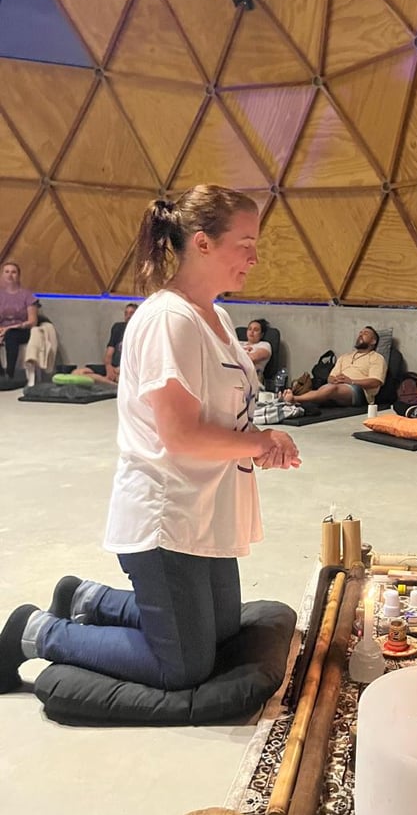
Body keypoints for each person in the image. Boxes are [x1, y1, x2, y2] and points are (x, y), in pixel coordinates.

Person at [0, 184, 301, 694]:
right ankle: (36, 632)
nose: (255, 257)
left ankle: (87, 599)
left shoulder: (216, 317)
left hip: (207, 505)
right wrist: (257, 442)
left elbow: (222, 416)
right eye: (245, 244)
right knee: (182, 665)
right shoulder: (169, 320)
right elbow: (179, 435)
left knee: (221, 632)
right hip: (168, 513)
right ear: (202, 243)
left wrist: (260, 443)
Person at [282, 326, 386, 407]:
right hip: (338, 386)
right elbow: (330, 377)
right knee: (327, 388)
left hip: (360, 391)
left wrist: (351, 381)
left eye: (365, 333)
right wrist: (334, 379)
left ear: (373, 341)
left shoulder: (376, 358)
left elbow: (376, 381)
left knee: (331, 389)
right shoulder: (345, 356)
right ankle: (292, 399)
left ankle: (294, 399)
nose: (361, 335)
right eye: (360, 333)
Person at [72, 302, 138, 385]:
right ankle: (111, 383)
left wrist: (119, 369)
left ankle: (107, 382)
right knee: (77, 372)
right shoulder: (118, 328)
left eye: (131, 313)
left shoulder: (142, 331)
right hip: (113, 368)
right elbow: (109, 353)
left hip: (127, 370)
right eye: (126, 313)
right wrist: (109, 368)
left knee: (125, 378)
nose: (128, 316)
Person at [0, 260, 37, 379]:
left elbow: (33, 321)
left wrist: (9, 328)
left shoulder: (27, 295)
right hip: (3, 329)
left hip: (22, 329)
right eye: (7, 272)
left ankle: (10, 374)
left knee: (11, 335)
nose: (10, 275)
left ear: (19, 276)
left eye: (13, 272)